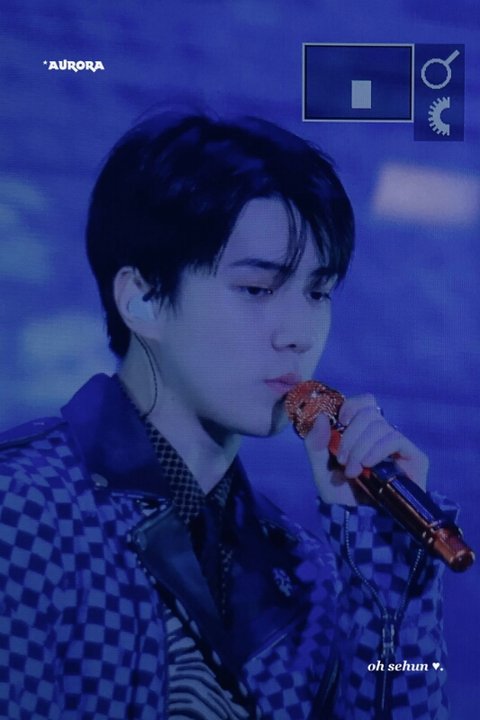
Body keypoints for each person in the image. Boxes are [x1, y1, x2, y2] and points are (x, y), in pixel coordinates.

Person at [0, 112, 451, 719]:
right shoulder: (24, 510)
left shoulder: (307, 566)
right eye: (257, 289)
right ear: (143, 298)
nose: (298, 334)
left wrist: (385, 563)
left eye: (317, 293)